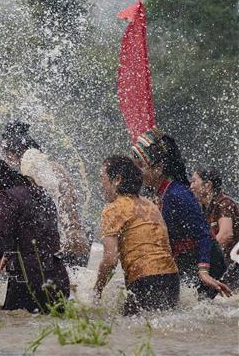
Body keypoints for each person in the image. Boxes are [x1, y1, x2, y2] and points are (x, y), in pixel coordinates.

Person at [132, 128, 231, 299]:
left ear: (159, 168)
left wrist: (204, 272)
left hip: (207, 266)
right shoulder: (158, 193)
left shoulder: (178, 193)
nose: (137, 171)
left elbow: (204, 234)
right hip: (185, 263)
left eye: (141, 165)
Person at [0, 158, 70, 313]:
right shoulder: (40, 193)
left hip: (28, 278)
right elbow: (35, 235)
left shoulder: (8, 197)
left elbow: (2, 236)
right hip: (57, 274)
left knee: (14, 327)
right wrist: (7, 256)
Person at [94, 155, 179, 315]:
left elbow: (110, 259)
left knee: (129, 332)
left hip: (145, 280)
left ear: (117, 179)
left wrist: (96, 292)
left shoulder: (113, 209)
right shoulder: (150, 205)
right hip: (172, 278)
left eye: (102, 178)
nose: (101, 185)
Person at [1, 119, 90, 268]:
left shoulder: (22, 178)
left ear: (10, 154)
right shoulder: (57, 168)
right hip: (77, 245)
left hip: (50, 253)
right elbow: (71, 208)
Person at [190, 169, 239, 262]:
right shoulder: (205, 209)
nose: (191, 187)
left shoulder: (224, 203)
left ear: (208, 185)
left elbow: (226, 235)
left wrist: (204, 257)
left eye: (194, 181)